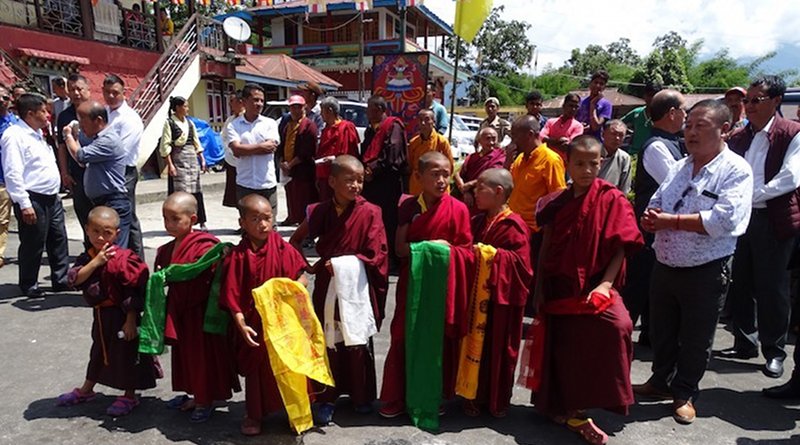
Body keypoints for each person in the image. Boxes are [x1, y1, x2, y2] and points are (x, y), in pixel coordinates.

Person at [633, 99, 753, 425]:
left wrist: (670, 221)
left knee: (696, 336)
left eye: (701, 126)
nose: (691, 132)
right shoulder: (681, 165)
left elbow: (724, 220)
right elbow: (658, 199)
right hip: (666, 262)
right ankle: (660, 380)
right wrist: (651, 215)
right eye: (688, 125)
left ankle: (685, 392)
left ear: (724, 129)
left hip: (706, 268)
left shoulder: (736, 170)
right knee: (662, 329)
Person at [531, 135, 643, 444]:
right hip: (560, 285)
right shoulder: (555, 202)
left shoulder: (612, 198)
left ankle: (593, 399)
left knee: (619, 326)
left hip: (596, 285)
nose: (586, 170)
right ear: (567, 163)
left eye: (593, 164)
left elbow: (622, 245)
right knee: (564, 347)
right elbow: (547, 246)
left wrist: (606, 284)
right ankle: (567, 408)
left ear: (601, 163)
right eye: (579, 164)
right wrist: (539, 287)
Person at [289, 155, 389, 424]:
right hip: (327, 284)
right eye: (349, 180)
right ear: (332, 181)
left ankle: (361, 396)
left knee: (356, 340)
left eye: (359, 180)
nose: (356, 185)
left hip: (356, 285)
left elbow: (378, 253)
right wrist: (307, 267)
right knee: (329, 340)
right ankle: (326, 397)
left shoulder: (371, 212)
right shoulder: (321, 211)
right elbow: (295, 240)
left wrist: (344, 265)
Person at [379, 151, 472, 418]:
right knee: (402, 336)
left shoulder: (459, 209)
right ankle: (396, 397)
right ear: (418, 177)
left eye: (446, 174)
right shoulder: (408, 207)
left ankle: (433, 394)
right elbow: (399, 249)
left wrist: (447, 252)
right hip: (413, 282)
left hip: (443, 286)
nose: (442, 180)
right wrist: (431, 247)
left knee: (436, 340)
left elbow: (466, 252)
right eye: (435, 174)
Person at [724, 76, 800, 380]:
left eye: (757, 100)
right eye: (748, 100)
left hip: (773, 218)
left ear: (776, 101)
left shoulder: (791, 133)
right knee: (739, 281)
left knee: (772, 287)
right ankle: (745, 342)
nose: (749, 106)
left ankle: (775, 351)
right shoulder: (740, 136)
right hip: (741, 219)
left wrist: (751, 195)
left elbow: (791, 178)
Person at [220, 193, 308, 436]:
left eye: (267, 218)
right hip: (255, 324)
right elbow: (232, 297)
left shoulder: (283, 248)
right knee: (258, 373)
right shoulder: (237, 257)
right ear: (242, 223)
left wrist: (294, 289)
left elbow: (301, 275)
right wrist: (241, 324)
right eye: (255, 219)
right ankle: (254, 414)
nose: (263, 224)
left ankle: (295, 411)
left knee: (290, 367)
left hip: (283, 323)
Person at [56, 206, 156, 417]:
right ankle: (87, 389)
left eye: (107, 232)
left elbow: (133, 290)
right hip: (101, 316)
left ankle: (130, 395)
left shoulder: (125, 257)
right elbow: (74, 279)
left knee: (128, 355)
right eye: (95, 231)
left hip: (122, 315)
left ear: (117, 234)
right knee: (99, 352)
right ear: (87, 230)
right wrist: (96, 262)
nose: (101, 237)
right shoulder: (88, 257)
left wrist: (130, 321)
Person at [154, 192, 240, 423]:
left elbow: (217, 274)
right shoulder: (167, 248)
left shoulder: (205, 245)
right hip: (180, 311)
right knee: (185, 357)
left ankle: (205, 400)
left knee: (202, 358)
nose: (168, 224)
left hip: (200, 313)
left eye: (175, 219)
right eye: (165, 218)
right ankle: (194, 394)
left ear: (192, 219)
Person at [465, 168, 532, 418]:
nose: (475, 192)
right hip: (477, 299)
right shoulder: (478, 220)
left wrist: (487, 254)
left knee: (498, 349)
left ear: (499, 192)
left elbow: (522, 266)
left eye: (480, 187)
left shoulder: (515, 226)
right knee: (473, 347)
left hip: (502, 301)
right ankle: (470, 394)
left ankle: (495, 400)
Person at [625, 89, 687, 345]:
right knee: (639, 286)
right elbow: (679, 187)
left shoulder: (672, 142)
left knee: (655, 286)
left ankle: (651, 335)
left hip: (662, 229)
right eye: (684, 110)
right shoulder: (657, 146)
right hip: (649, 228)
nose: (686, 115)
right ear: (672, 113)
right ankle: (617, 336)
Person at [1, 93, 70, 297]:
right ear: (30, 114)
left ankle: (61, 279)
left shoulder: (39, 134)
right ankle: (29, 283)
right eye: (43, 111)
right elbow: (13, 172)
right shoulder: (14, 135)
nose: (47, 115)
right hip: (33, 197)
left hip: (51, 196)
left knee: (58, 239)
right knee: (33, 242)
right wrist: (24, 203)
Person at [63, 101, 132, 248]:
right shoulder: (98, 139)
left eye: (83, 121)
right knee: (101, 250)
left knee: (114, 252)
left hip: (113, 201)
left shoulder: (108, 141)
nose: (81, 126)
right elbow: (82, 161)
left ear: (98, 120)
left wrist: (68, 136)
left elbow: (80, 156)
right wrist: (75, 138)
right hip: (102, 201)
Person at [507, 115, 566, 266]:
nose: (513, 140)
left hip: (534, 233)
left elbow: (558, 199)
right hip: (514, 227)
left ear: (530, 135)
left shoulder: (550, 160)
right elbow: (506, 183)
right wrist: (507, 159)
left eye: (515, 135)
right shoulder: (520, 159)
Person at [360, 94, 407, 265]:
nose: (366, 111)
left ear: (379, 109)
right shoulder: (371, 129)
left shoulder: (392, 126)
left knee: (387, 220)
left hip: (387, 182)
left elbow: (393, 156)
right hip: (371, 184)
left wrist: (372, 170)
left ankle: (390, 259)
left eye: (369, 108)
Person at [103, 74, 145, 259]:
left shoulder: (129, 118)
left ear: (124, 93)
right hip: (106, 172)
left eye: (115, 93)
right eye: (107, 92)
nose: (111, 96)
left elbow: (121, 151)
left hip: (123, 172)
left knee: (127, 218)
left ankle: (136, 261)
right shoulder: (104, 113)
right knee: (112, 218)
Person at [227, 83, 281, 209]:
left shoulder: (270, 123)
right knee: (248, 225)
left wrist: (245, 149)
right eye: (256, 100)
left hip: (267, 184)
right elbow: (236, 150)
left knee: (269, 225)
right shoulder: (233, 125)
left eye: (262, 100)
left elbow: (271, 147)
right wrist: (261, 147)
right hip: (245, 184)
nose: (260, 104)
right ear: (244, 102)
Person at [161, 96, 208, 231]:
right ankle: (181, 221)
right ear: (177, 108)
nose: (187, 109)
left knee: (196, 190)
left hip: (192, 159)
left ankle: (200, 220)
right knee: (180, 193)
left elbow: (196, 142)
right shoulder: (169, 123)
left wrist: (202, 159)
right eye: (185, 106)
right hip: (178, 158)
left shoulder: (190, 123)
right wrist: (170, 165)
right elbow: (165, 146)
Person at [56, 74, 92, 242]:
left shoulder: (98, 110)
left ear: (88, 90)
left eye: (79, 89)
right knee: (83, 214)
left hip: (98, 171)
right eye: (71, 90)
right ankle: (89, 252)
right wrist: (64, 172)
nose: (76, 93)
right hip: (77, 174)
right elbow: (62, 147)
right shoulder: (64, 116)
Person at [277, 94, 318, 226]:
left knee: (303, 199)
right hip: (288, 168)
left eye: (298, 107)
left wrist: (291, 164)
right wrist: (282, 161)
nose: (295, 110)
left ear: (304, 108)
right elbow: (281, 144)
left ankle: (305, 227)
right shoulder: (287, 125)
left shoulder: (309, 126)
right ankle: (292, 217)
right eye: (292, 107)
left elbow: (307, 151)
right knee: (291, 196)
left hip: (302, 169)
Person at [316, 96, 359, 201]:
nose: (321, 114)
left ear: (330, 111)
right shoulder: (326, 128)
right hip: (325, 174)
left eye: (322, 111)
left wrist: (335, 158)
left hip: (340, 174)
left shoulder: (346, 127)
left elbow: (351, 153)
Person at [455, 126, 505, 211]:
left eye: (494, 139)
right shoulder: (473, 157)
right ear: (480, 141)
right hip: (468, 198)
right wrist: (464, 190)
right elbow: (457, 174)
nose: (491, 142)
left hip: (486, 198)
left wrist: (470, 184)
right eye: (488, 139)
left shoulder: (500, 155)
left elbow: (491, 175)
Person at [407, 108, 453, 196]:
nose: (423, 123)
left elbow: (450, 165)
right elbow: (411, 164)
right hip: (418, 183)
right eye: (420, 120)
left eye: (427, 119)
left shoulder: (442, 141)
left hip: (437, 182)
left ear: (434, 122)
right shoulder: (414, 142)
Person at [0, 85, 18, 269]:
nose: (1, 101)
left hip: (13, 180)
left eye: (4, 97)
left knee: (3, 221)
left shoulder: (16, 122)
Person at [621, 82, 661, 156]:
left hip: (653, 155)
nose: (652, 98)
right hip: (634, 153)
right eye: (649, 95)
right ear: (644, 96)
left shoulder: (663, 116)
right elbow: (619, 123)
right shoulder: (637, 112)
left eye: (655, 96)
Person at [540, 93, 584, 160]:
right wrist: (558, 141)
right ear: (564, 106)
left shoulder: (578, 127)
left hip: (565, 165)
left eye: (576, 107)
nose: (573, 109)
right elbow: (541, 137)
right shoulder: (551, 122)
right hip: (547, 162)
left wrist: (549, 142)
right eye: (570, 105)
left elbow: (568, 146)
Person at [221, 91, 244, 208]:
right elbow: (223, 136)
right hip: (231, 159)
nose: (230, 104)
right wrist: (230, 148)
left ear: (241, 102)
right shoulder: (230, 119)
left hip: (244, 160)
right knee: (234, 192)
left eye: (232, 101)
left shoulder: (246, 118)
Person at [598, 119, 633, 194]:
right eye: (613, 134)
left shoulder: (624, 158)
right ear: (603, 134)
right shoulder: (591, 153)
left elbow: (625, 188)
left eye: (621, 135)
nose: (617, 138)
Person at [577, 70, 613, 138]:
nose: (597, 85)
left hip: (595, 142)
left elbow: (595, 127)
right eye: (595, 82)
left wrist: (593, 104)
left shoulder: (606, 105)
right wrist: (579, 126)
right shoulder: (580, 101)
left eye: (601, 84)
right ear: (590, 84)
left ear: (604, 87)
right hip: (579, 139)